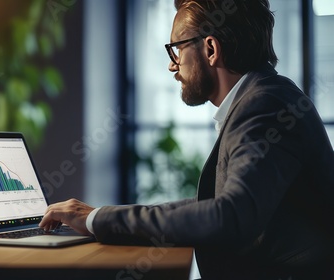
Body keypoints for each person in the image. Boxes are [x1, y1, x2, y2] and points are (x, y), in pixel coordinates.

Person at [39, 0, 334, 279]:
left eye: (176, 49)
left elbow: (230, 216)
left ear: (210, 49)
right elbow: (216, 204)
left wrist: (98, 218)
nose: (172, 66)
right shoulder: (264, 96)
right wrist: (98, 217)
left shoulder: (265, 105)